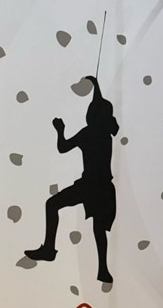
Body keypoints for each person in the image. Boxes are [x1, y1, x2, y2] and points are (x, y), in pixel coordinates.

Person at [25, 75, 119, 284]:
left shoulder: (88, 133)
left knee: (52, 204)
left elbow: (63, 147)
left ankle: (49, 249)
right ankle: (103, 269)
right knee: (99, 229)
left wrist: (60, 130)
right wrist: (96, 85)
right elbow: (101, 104)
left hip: (89, 186)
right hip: (104, 188)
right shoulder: (107, 133)